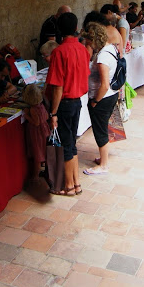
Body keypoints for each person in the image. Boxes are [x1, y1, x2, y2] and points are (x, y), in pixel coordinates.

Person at [46, 12, 90, 196]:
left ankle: (69, 186)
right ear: (75, 28)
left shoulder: (59, 52)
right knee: (71, 142)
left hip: (64, 104)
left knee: (65, 144)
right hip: (78, 102)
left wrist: (53, 113)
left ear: (59, 30)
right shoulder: (82, 49)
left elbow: (57, 87)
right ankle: (76, 183)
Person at [82, 23, 119, 175]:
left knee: (100, 130)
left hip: (103, 98)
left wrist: (95, 101)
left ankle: (103, 165)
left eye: (89, 42)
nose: (87, 45)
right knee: (103, 128)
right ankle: (103, 158)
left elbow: (104, 85)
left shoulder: (103, 56)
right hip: (110, 96)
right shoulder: (109, 48)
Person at [22, 84, 50, 188]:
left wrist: (26, 115)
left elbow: (36, 122)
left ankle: (35, 176)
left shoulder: (33, 109)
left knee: (38, 153)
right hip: (45, 130)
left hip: (37, 133)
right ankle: (46, 170)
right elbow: (46, 116)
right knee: (44, 150)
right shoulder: (42, 105)